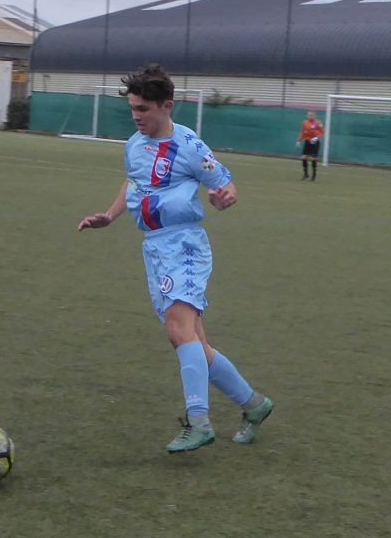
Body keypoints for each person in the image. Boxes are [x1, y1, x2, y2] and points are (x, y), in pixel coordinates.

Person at [77, 63, 272, 454]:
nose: (136, 117)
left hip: (184, 244)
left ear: (167, 106)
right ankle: (254, 405)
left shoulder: (189, 145)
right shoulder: (134, 144)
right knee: (197, 343)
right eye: (133, 108)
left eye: (144, 109)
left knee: (178, 330)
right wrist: (109, 216)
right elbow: (133, 181)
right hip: (154, 247)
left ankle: (198, 421)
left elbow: (224, 184)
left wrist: (225, 197)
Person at [297, 110, 323, 181]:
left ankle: (314, 175)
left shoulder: (318, 123)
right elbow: (302, 132)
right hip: (307, 141)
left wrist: (316, 138)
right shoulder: (304, 123)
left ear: (315, 116)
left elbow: (322, 133)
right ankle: (306, 174)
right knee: (303, 157)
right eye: (309, 115)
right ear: (307, 115)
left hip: (315, 142)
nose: (310, 116)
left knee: (313, 158)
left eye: (312, 115)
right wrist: (299, 141)